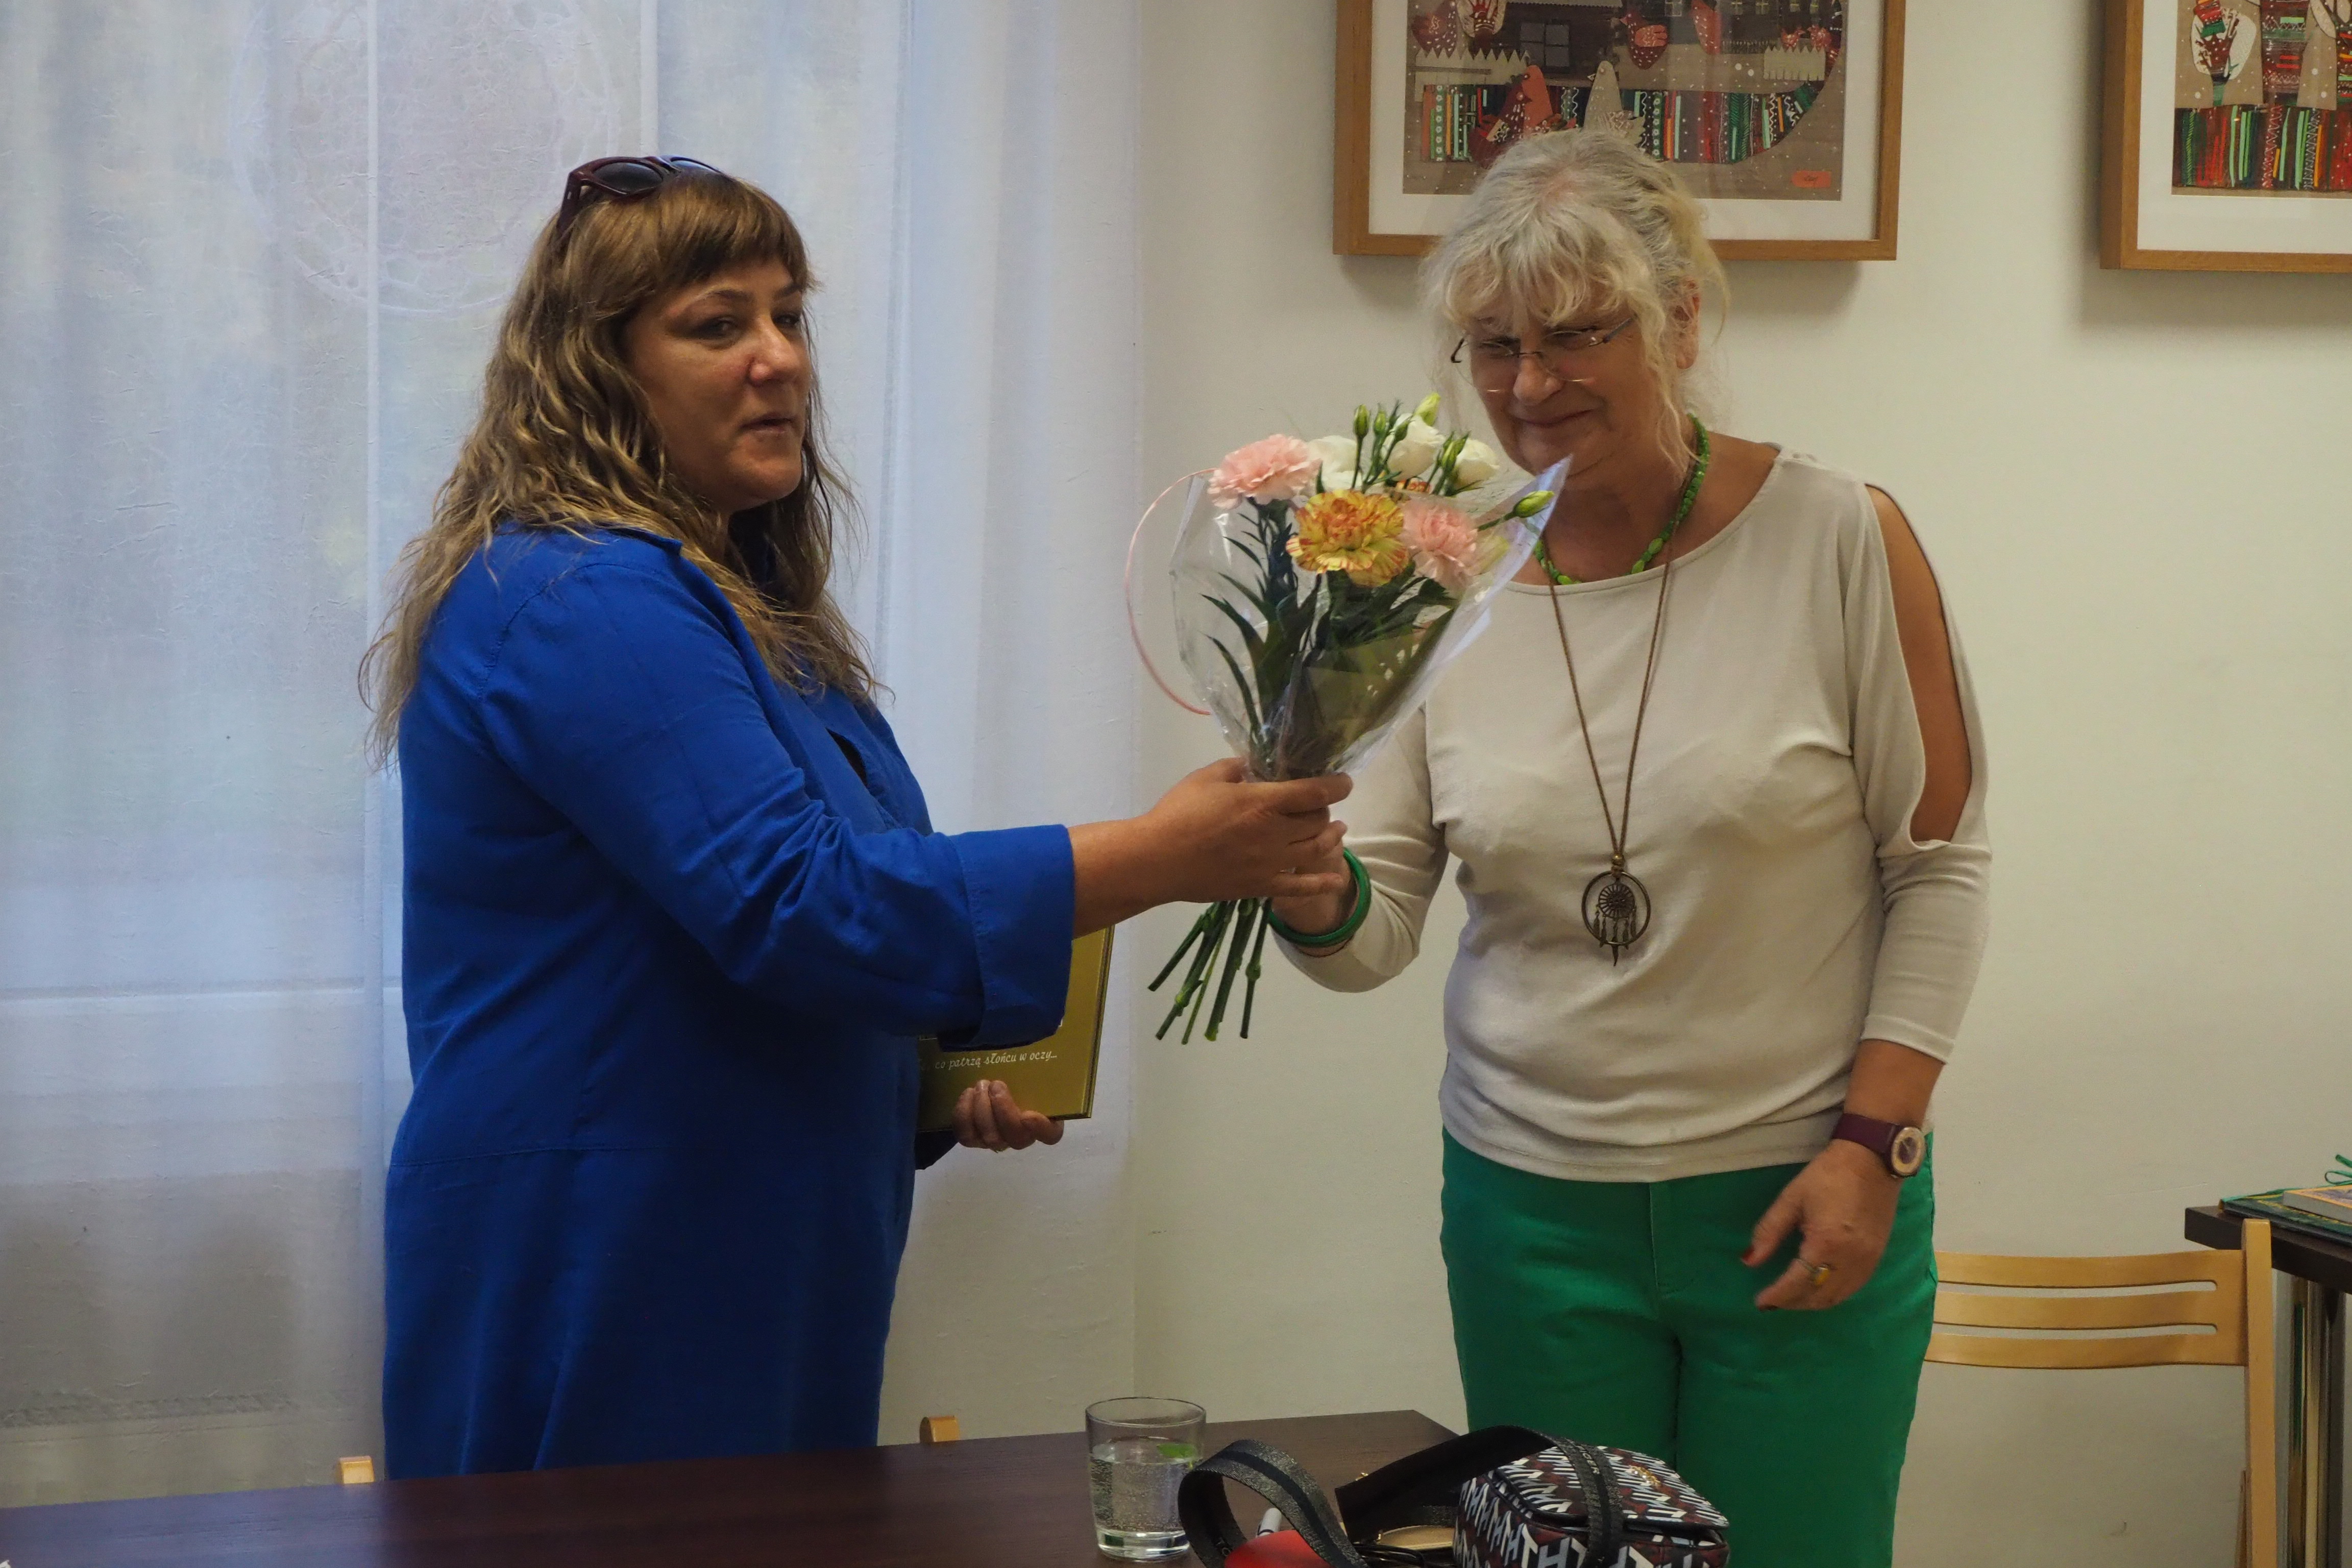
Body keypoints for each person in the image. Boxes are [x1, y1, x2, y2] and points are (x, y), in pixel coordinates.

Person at [361, 156, 1351, 1478]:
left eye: (790, 314)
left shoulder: (734, 604)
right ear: (599, 370)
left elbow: (803, 928)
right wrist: (1158, 858)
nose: (780, 357)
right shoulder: (584, 596)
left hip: (733, 1230)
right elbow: (801, 904)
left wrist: (933, 1084)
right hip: (607, 1244)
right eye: (718, 324)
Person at [1268, 130, 1989, 1568]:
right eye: (1495, 346)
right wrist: (1299, 884)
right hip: (1531, 1213)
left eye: (1578, 334)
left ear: (1682, 322)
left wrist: (1875, 1147)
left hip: (1801, 1193)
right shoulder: (1435, 578)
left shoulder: (1841, 538)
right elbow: (1377, 931)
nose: (1532, 385)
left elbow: (1940, 866)